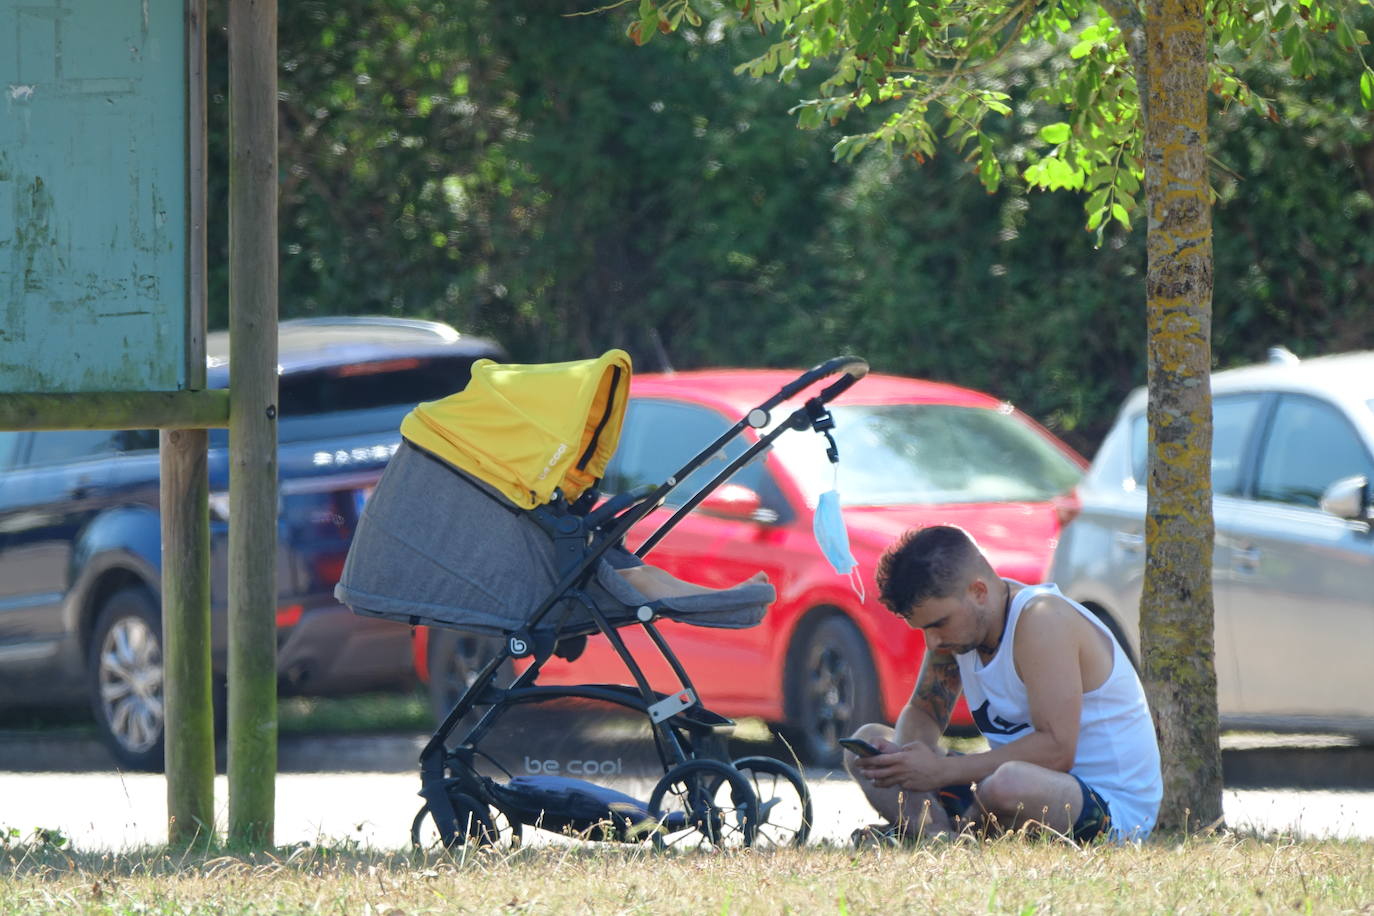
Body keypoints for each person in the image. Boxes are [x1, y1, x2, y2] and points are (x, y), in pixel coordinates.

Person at [846, 525, 1161, 844]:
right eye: (924, 629)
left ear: (978, 591)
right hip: (1001, 794)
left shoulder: (1042, 619)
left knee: (1007, 783)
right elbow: (924, 713)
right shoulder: (959, 634)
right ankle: (936, 836)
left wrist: (938, 771)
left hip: (1109, 810)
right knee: (868, 745)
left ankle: (946, 839)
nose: (933, 640)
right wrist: (904, 763)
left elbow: (1056, 750)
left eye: (940, 623)